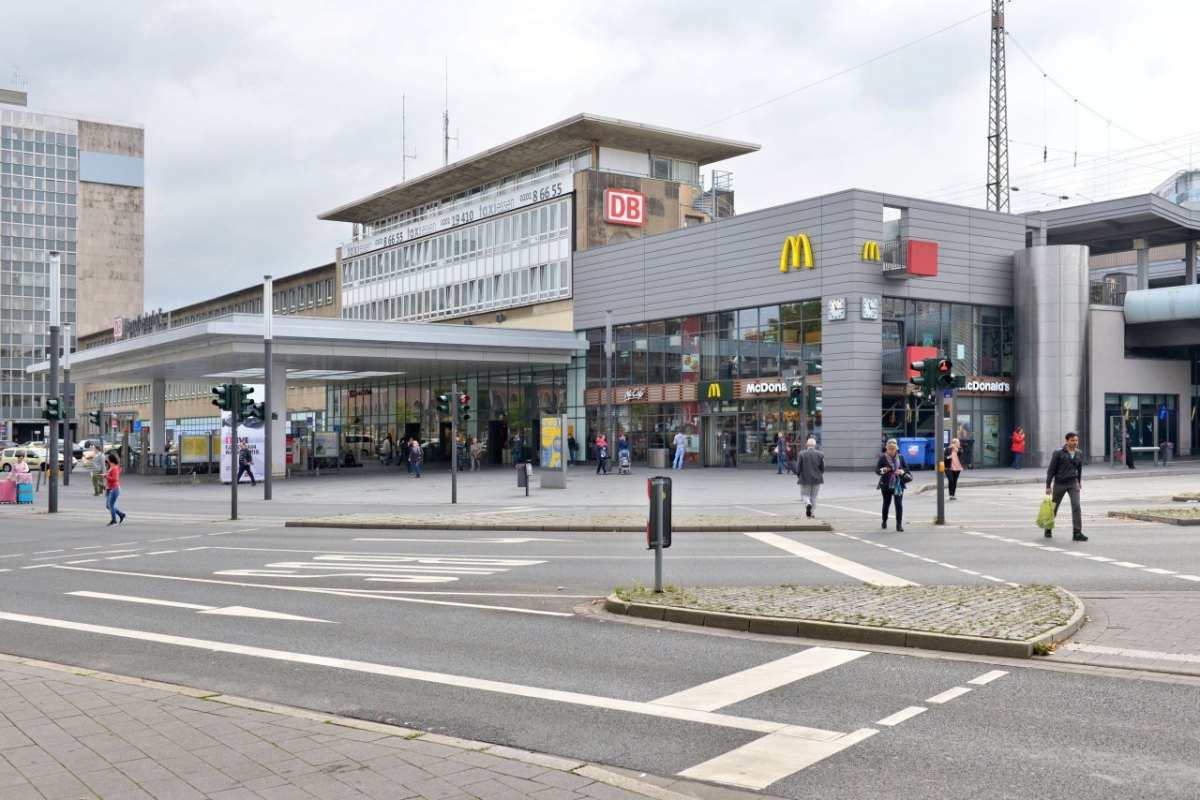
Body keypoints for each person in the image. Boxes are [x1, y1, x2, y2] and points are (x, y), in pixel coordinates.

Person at [1045, 431, 1086, 541]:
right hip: (1060, 484)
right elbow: (1051, 470)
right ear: (1066, 441)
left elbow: (1079, 469)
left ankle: (1077, 532)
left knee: (1076, 507)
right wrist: (1048, 486)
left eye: (1076, 440)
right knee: (1054, 507)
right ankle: (1048, 528)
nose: (1075, 442)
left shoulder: (1079, 453)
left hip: (1073, 484)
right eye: (1072, 440)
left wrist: (1079, 481)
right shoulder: (1058, 453)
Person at [875, 438, 909, 531]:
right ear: (887, 449)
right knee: (886, 503)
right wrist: (884, 469)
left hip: (898, 484)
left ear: (896, 449)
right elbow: (877, 471)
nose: (891, 451)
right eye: (889, 449)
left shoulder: (901, 457)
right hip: (886, 484)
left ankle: (899, 524)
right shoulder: (883, 458)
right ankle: (884, 521)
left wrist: (901, 471)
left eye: (893, 449)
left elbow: (906, 469)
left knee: (898, 504)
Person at [795, 438, 824, 518]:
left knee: (804, 494)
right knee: (814, 496)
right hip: (816, 479)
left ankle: (808, 503)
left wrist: (798, 475)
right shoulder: (820, 454)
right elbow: (822, 467)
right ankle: (813, 513)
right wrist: (819, 474)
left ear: (807, 445)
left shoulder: (802, 454)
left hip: (805, 478)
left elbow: (798, 467)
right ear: (814, 445)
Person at [104, 452, 126, 526]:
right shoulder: (112, 467)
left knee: (111, 505)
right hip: (111, 488)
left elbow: (114, 479)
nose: (107, 459)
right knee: (108, 505)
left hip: (114, 489)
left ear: (110, 459)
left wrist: (105, 476)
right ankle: (121, 514)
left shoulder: (114, 468)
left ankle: (114, 521)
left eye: (107, 458)